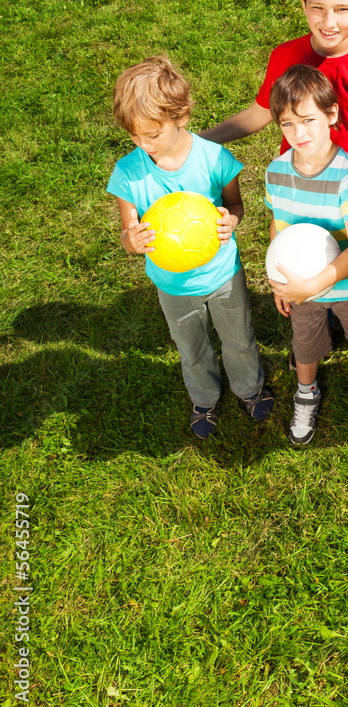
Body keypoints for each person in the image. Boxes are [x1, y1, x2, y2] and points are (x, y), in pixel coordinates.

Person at [201, 0, 348, 364]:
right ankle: (313, 329)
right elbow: (260, 113)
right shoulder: (285, 56)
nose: (329, 21)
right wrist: (201, 141)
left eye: (342, 10)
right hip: (297, 190)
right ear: (303, 5)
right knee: (302, 256)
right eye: (318, 8)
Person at [107, 57, 273, 439]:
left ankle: (249, 388)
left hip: (221, 275)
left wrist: (232, 220)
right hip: (173, 286)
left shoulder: (213, 158)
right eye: (134, 136)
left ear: (180, 117)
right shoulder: (128, 173)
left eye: (152, 134)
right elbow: (128, 231)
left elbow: (236, 207)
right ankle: (204, 397)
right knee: (191, 347)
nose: (142, 144)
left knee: (239, 339)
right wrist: (130, 241)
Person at [264, 65, 348, 446]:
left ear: (331, 115)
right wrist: (280, 283)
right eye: (287, 125)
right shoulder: (277, 172)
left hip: (345, 283)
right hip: (299, 290)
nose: (298, 133)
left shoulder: (347, 178)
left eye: (308, 120)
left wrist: (311, 285)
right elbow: (278, 226)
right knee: (304, 342)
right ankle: (307, 390)